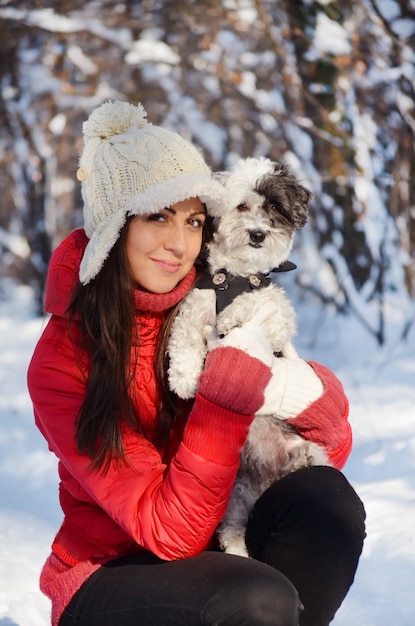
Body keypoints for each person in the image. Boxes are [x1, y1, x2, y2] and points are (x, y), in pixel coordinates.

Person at [27, 100, 366, 626]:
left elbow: (334, 447)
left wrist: (297, 392)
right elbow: (171, 532)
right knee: (254, 596)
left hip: (217, 548)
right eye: (157, 216)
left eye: (193, 221)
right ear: (115, 228)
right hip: (111, 572)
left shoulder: (214, 300)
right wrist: (227, 398)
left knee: (326, 504)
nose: (179, 243)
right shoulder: (63, 361)